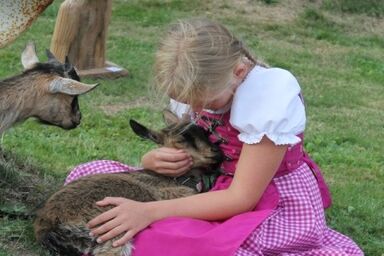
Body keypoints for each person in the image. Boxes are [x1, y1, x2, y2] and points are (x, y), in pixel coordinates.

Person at [66, 18, 363, 255]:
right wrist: (153, 160)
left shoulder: (266, 101)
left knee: (201, 245)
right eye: (188, 100)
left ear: (239, 70)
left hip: (264, 198)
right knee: (89, 175)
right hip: (209, 184)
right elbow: (194, 141)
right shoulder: (208, 86)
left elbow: (241, 198)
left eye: (207, 103)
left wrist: (149, 211)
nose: (195, 110)